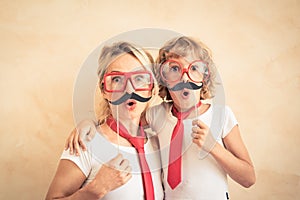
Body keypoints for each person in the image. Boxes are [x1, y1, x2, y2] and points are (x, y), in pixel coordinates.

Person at [66, 36, 256, 199]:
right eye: (174, 69)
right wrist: (87, 123)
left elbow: (248, 178)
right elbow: (123, 119)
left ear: (204, 77)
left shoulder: (221, 116)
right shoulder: (157, 114)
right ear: (162, 79)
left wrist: (213, 147)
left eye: (194, 69)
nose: (184, 78)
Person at [46, 42, 164, 200]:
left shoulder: (159, 143)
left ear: (152, 88)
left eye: (139, 78)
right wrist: (95, 190)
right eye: (116, 79)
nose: (129, 90)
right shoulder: (85, 142)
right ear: (104, 90)